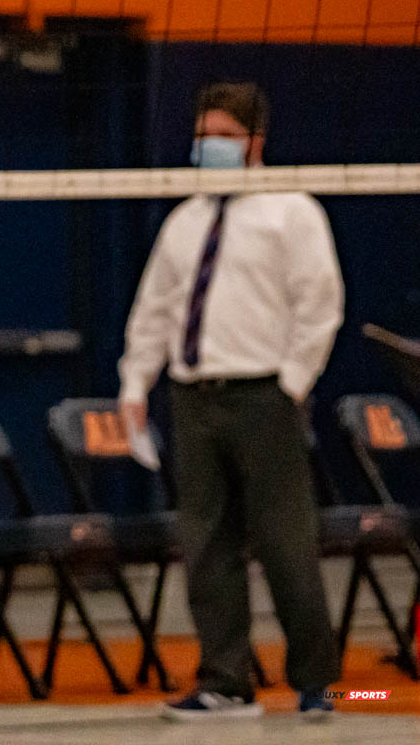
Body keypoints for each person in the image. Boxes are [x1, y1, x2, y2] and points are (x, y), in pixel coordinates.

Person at [118, 82, 344, 720]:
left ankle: (318, 684)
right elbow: (154, 311)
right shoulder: (184, 220)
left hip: (263, 396)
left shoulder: (291, 211)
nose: (209, 146)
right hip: (193, 399)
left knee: (285, 544)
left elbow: (320, 306)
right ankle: (225, 681)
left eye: (223, 135)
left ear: (254, 143)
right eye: (203, 134)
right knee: (205, 545)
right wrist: (136, 384)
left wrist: (291, 387)